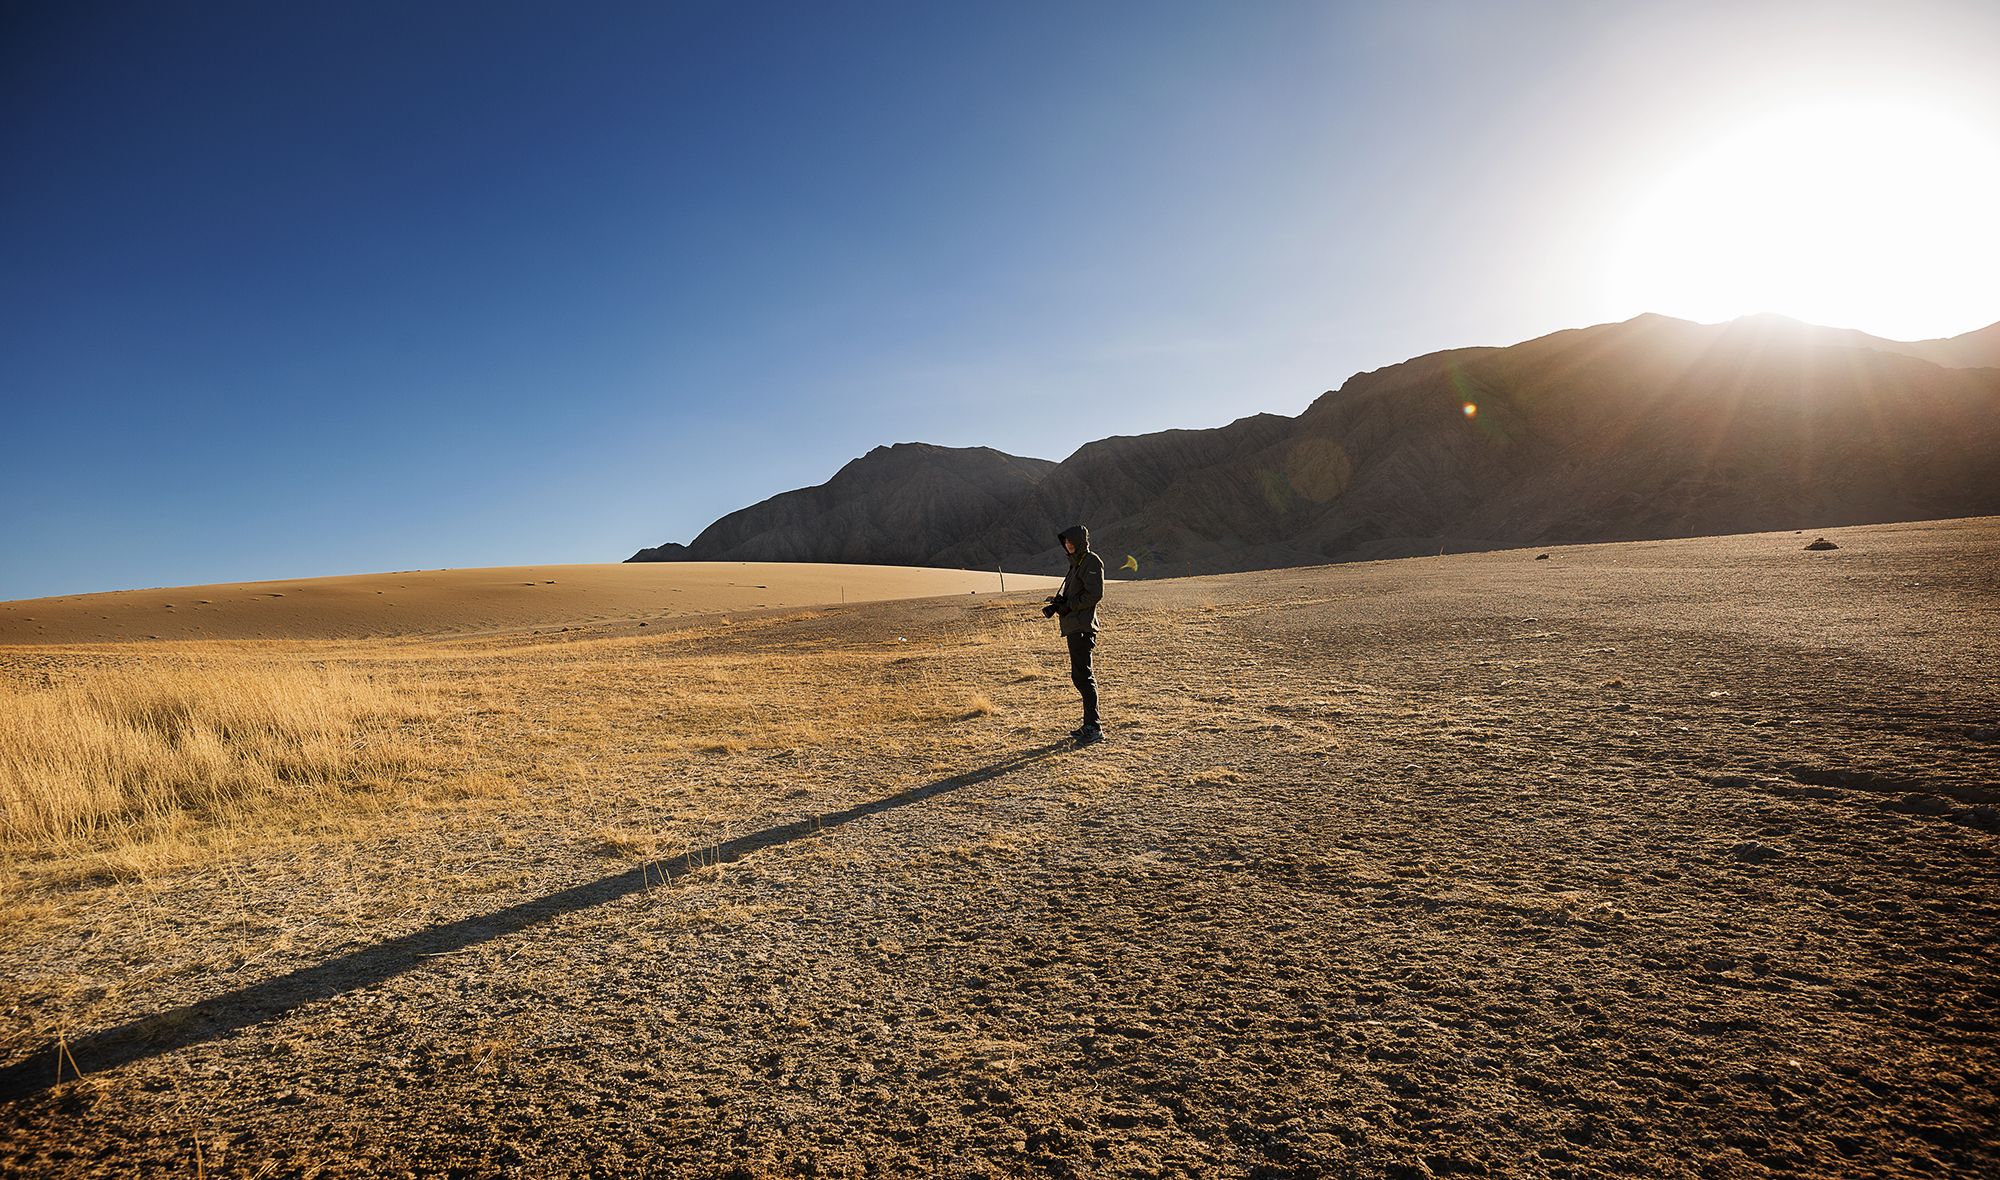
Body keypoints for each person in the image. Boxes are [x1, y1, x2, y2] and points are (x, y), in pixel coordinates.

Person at [1043, 524, 1105, 742]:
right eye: (1065, 541)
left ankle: (1094, 728)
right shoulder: (1076, 565)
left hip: (1082, 627)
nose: (1068, 544)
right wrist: (1061, 603)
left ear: (1080, 541)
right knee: (1080, 677)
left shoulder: (1091, 561)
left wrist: (1069, 606)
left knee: (1084, 677)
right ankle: (1088, 724)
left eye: (1071, 540)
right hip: (1074, 627)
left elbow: (1094, 594)